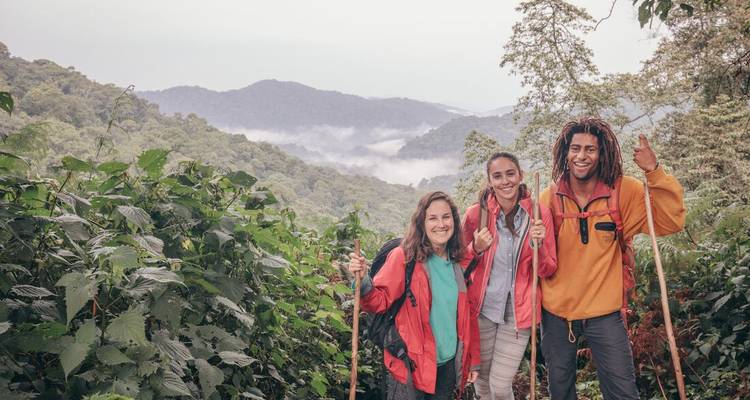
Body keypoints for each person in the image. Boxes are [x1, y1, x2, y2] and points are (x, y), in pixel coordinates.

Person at [539, 117, 686, 399]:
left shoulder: (623, 193)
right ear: (565, 153)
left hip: (605, 314)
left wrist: (654, 172)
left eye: (590, 149)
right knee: (560, 392)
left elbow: (669, 222)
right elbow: (534, 257)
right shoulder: (549, 199)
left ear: (602, 153)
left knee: (622, 393)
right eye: (575, 148)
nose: (581, 156)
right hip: (557, 316)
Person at [348, 191, 488, 399]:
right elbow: (378, 302)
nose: (441, 224)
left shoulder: (457, 263)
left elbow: (466, 316)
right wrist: (362, 280)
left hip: (447, 367)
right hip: (410, 366)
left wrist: (472, 359)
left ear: (454, 221)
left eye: (446, 217)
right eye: (433, 218)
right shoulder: (404, 257)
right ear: (422, 223)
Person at [461, 152, 557, 399]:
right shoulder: (475, 215)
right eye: (497, 176)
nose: (505, 181)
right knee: (481, 383)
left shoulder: (538, 214)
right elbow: (458, 265)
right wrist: (476, 248)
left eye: (510, 174)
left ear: (520, 175)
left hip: (518, 313)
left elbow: (548, 269)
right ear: (490, 181)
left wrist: (540, 244)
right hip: (481, 310)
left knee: (500, 385)